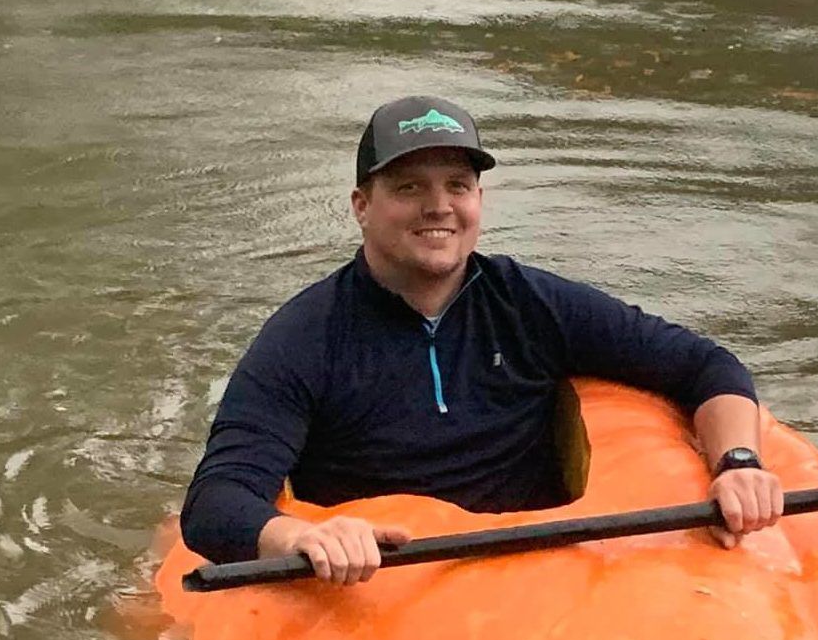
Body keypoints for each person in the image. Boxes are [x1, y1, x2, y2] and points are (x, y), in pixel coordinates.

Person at [180, 96, 785, 584]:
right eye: (409, 188)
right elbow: (217, 500)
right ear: (362, 206)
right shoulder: (305, 337)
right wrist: (303, 536)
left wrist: (738, 464)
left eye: (457, 185)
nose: (438, 207)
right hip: (389, 587)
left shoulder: (530, 302)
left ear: (478, 200)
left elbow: (705, 365)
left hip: (543, 574)